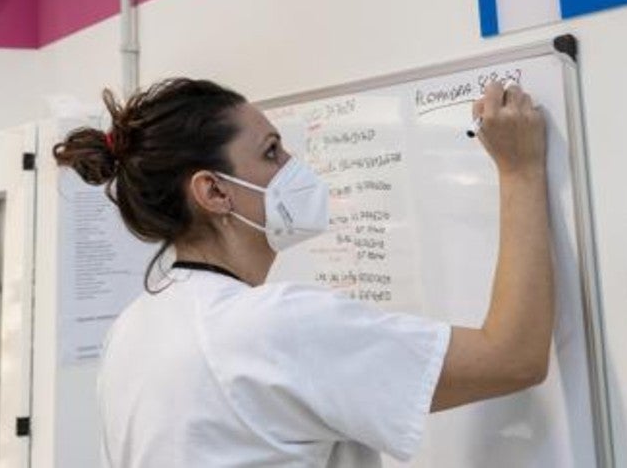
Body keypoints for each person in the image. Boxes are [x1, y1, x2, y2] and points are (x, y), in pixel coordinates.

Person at [53, 77, 552, 468]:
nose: (293, 166)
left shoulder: (135, 328)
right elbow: (513, 357)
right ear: (214, 192)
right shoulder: (270, 326)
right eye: (272, 152)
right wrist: (520, 169)